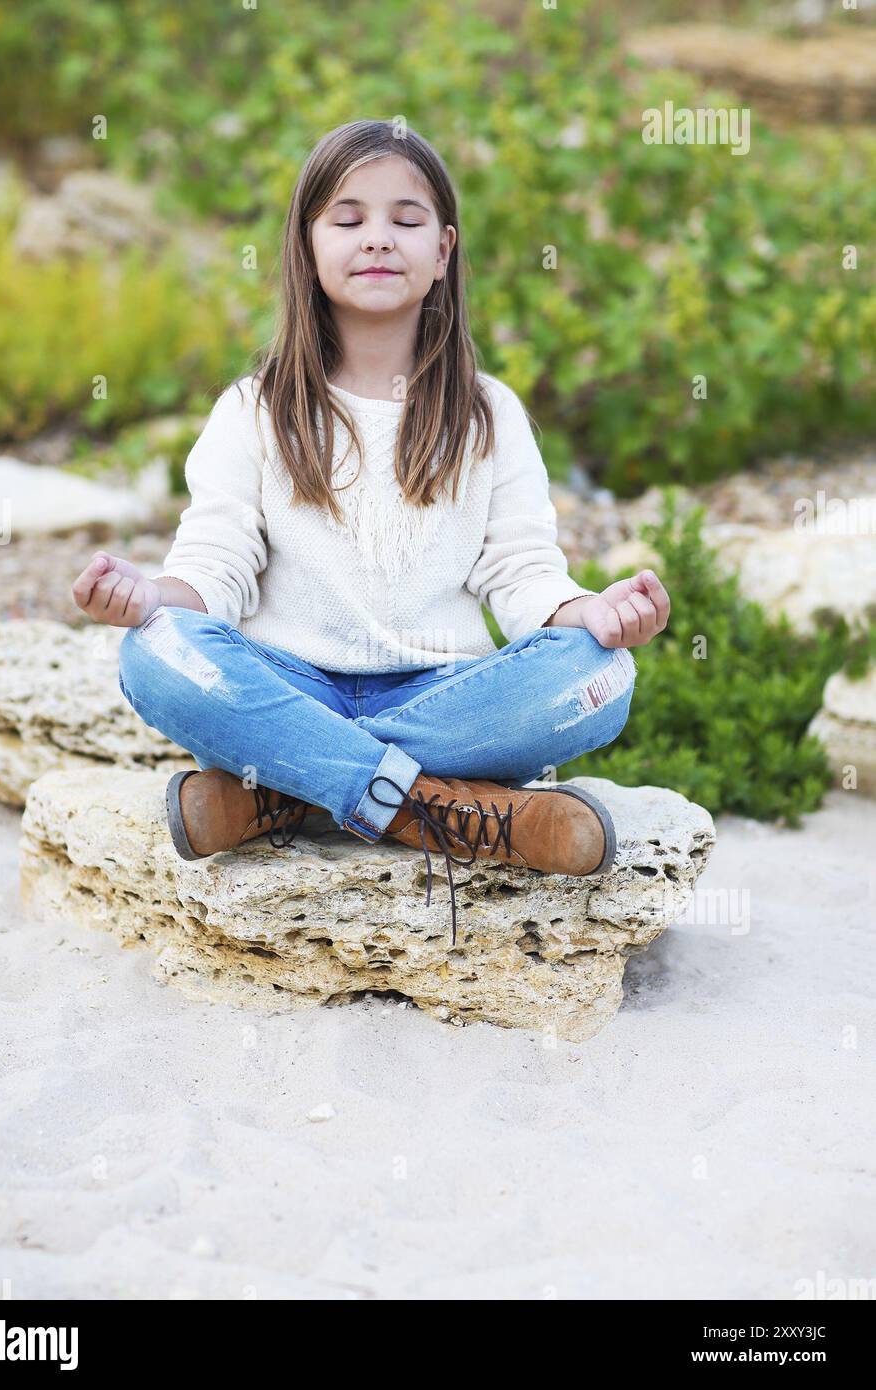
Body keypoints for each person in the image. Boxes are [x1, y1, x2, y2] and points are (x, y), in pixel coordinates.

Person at [71, 120, 669, 945]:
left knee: (601, 675)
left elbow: (522, 571)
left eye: (406, 218)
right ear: (307, 245)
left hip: (442, 694)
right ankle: (439, 809)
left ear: (444, 248)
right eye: (347, 219)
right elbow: (216, 568)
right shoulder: (252, 410)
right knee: (153, 650)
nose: (378, 238)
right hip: (290, 682)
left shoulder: (489, 412)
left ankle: (283, 790)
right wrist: (147, 595)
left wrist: (589, 612)